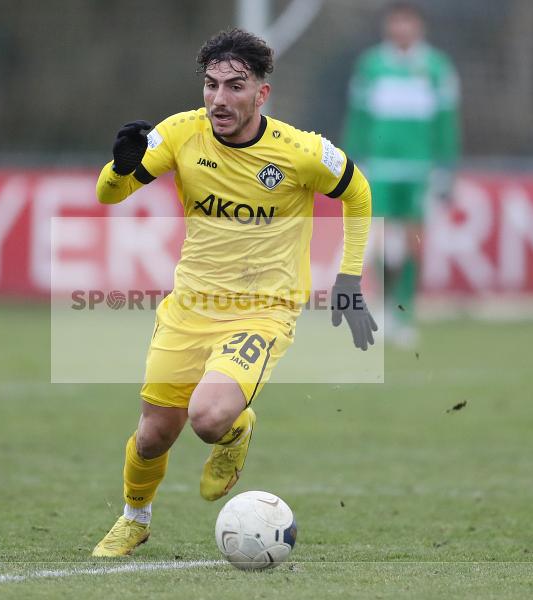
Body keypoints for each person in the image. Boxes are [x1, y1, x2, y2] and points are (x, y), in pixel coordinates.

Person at [90, 28, 377, 556]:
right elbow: (110, 194)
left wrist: (349, 278)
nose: (219, 99)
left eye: (235, 86)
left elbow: (358, 192)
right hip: (190, 308)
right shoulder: (180, 133)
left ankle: (233, 430)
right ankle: (135, 519)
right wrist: (119, 167)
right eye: (211, 85)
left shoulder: (300, 152)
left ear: (261, 94)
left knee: (207, 416)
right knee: (153, 435)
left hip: (263, 311)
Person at [342, 1, 461, 348]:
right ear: (388, 26)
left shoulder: (437, 67)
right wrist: (352, 160)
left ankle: (404, 313)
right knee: (377, 241)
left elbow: (447, 122)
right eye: (396, 22)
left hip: (419, 169)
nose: (401, 28)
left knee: (412, 242)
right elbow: (358, 118)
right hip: (378, 167)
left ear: (419, 26)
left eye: (407, 22)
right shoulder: (371, 65)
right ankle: (383, 308)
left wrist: (446, 167)